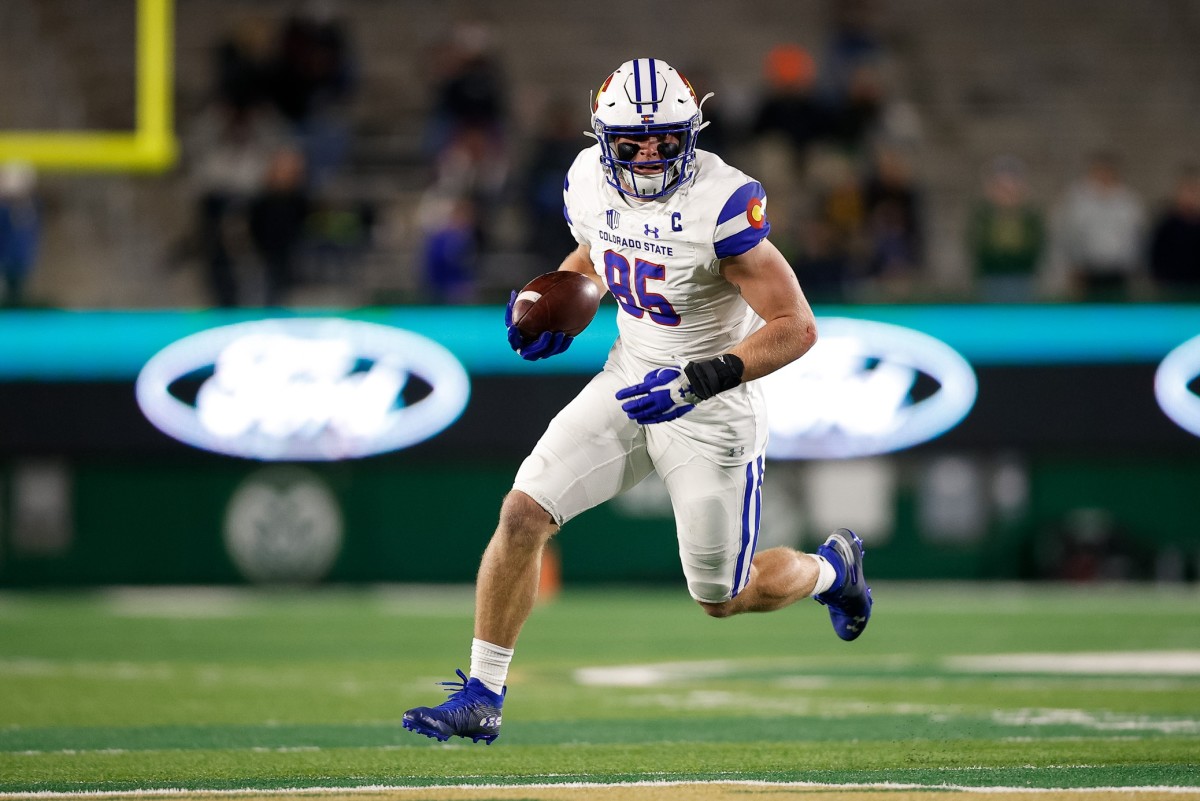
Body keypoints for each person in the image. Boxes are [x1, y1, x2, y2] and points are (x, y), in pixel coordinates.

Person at [401, 58, 873, 745]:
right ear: (602, 140)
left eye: (665, 141)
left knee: (721, 597)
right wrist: (552, 303)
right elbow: (596, 252)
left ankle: (834, 568)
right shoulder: (587, 181)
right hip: (629, 379)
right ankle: (483, 692)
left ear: (692, 133)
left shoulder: (722, 203)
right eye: (633, 143)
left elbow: (796, 327)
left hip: (712, 407)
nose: (650, 155)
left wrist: (702, 378)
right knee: (523, 512)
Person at [966, 155, 1046, 303]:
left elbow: (1038, 243)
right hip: (990, 277)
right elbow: (974, 243)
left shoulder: (1030, 216)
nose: (1006, 192)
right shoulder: (982, 216)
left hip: (1023, 277)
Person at [1148, 165, 1200, 301]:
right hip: (1171, 287)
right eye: (1187, 192)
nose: (1190, 197)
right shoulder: (1166, 225)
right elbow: (1155, 256)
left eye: (1194, 192)